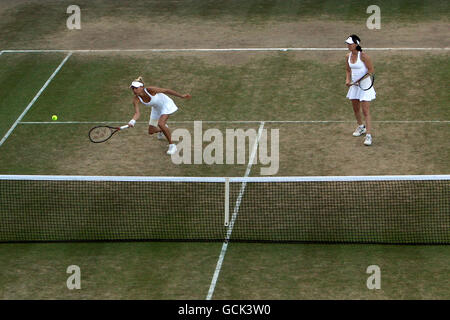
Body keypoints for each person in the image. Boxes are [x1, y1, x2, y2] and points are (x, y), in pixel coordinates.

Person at [128, 77, 191, 155]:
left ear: (142, 87)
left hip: (166, 105)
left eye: (136, 88)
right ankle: (163, 129)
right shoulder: (136, 99)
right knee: (151, 131)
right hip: (156, 109)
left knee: (161, 124)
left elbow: (166, 90)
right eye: (133, 88)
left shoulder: (150, 90)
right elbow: (137, 113)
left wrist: (181, 96)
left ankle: (172, 145)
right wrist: (132, 121)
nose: (134, 90)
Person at [345, 35, 376, 146]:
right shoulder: (347, 56)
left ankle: (368, 135)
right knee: (355, 109)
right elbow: (348, 70)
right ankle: (360, 127)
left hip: (365, 86)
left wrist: (359, 80)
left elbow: (371, 71)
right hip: (355, 86)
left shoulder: (364, 56)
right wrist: (348, 79)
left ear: (356, 44)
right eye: (347, 43)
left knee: (365, 111)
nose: (348, 45)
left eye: (350, 43)